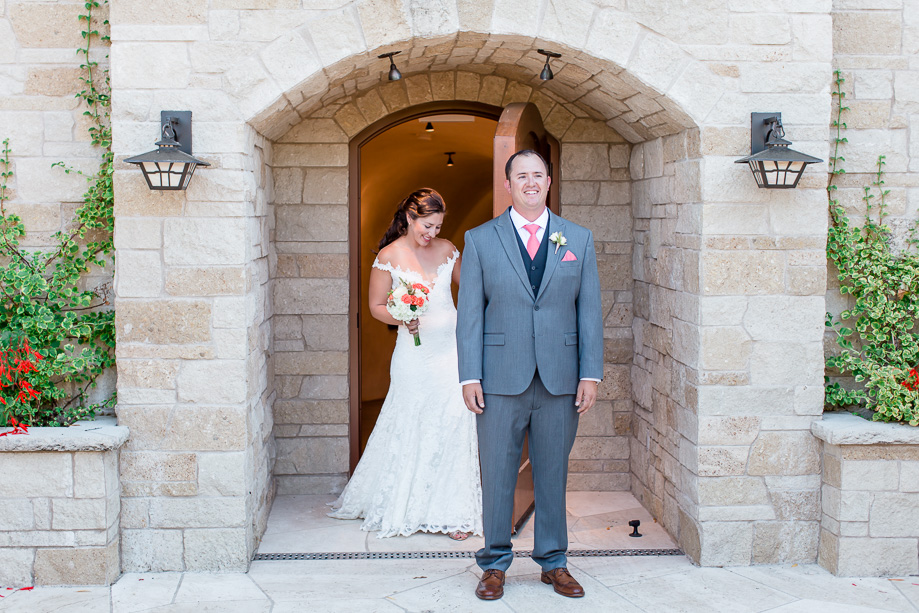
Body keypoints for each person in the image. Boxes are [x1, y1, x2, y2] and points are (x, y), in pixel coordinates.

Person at [456, 150, 603, 599]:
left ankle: (554, 562)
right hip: (500, 377)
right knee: (498, 471)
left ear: (549, 181)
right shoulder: (481, 239)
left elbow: (589, 311)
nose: (531, 182)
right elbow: (471, 315)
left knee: (552, 473)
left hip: (561, 377)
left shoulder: (578, 238)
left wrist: (590, 374)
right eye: (522, 176)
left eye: (538, 175)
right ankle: (495, 564)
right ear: (509, 185)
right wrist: (470, 376)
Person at [329, 188, 483, 541]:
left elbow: (473, 287)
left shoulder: (447, 250)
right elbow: (376, 306)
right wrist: (402, 316)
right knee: (413, 423)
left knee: (453, 423)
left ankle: (453, 511)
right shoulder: (389, 255)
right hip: (414, 357)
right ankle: (409, 505)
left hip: (450, 354)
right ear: (410, 218)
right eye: (427, 226)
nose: (432, 233)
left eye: (438, 226)